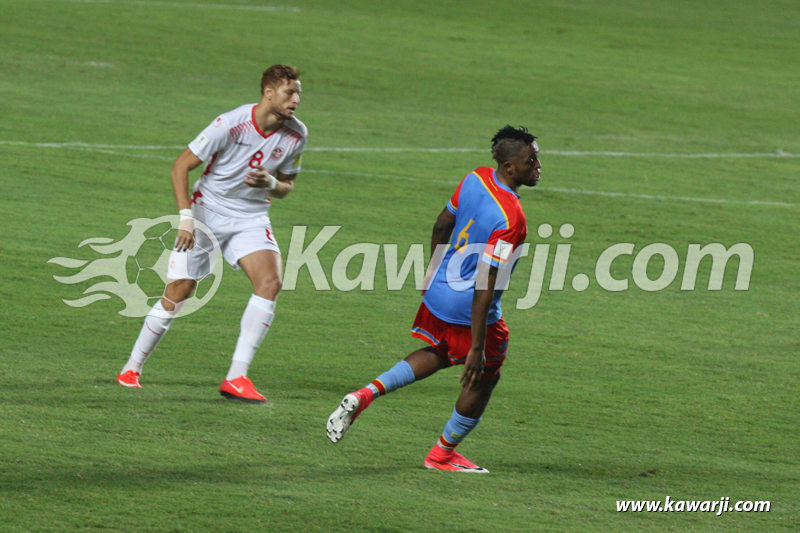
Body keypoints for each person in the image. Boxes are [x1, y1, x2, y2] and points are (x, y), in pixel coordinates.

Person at [326, 125, 541, 473]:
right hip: (467, 305)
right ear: (510, 168)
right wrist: (476, 347)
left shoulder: (475, 178)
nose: (538, 165)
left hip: (438, 288)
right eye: (531, 160)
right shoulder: (513, 219)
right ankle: (442, 454)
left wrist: (431, 271)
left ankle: (364, 395)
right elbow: (486, 283)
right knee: (485, 374)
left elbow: (442, 224)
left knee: (439, 351)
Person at [116, 64, 307, 403]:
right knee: (180, 290)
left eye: (298, 94)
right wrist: (186, 218)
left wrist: (272, 183)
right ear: (268, 92)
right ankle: (131, 367)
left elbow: (287, 187)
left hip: (251, 216)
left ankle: (236, 377)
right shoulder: (231, 123)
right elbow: (181, 165)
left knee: (270, 283)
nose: (295, 100)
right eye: (289, 93)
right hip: (208, 213)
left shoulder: (296, 134)